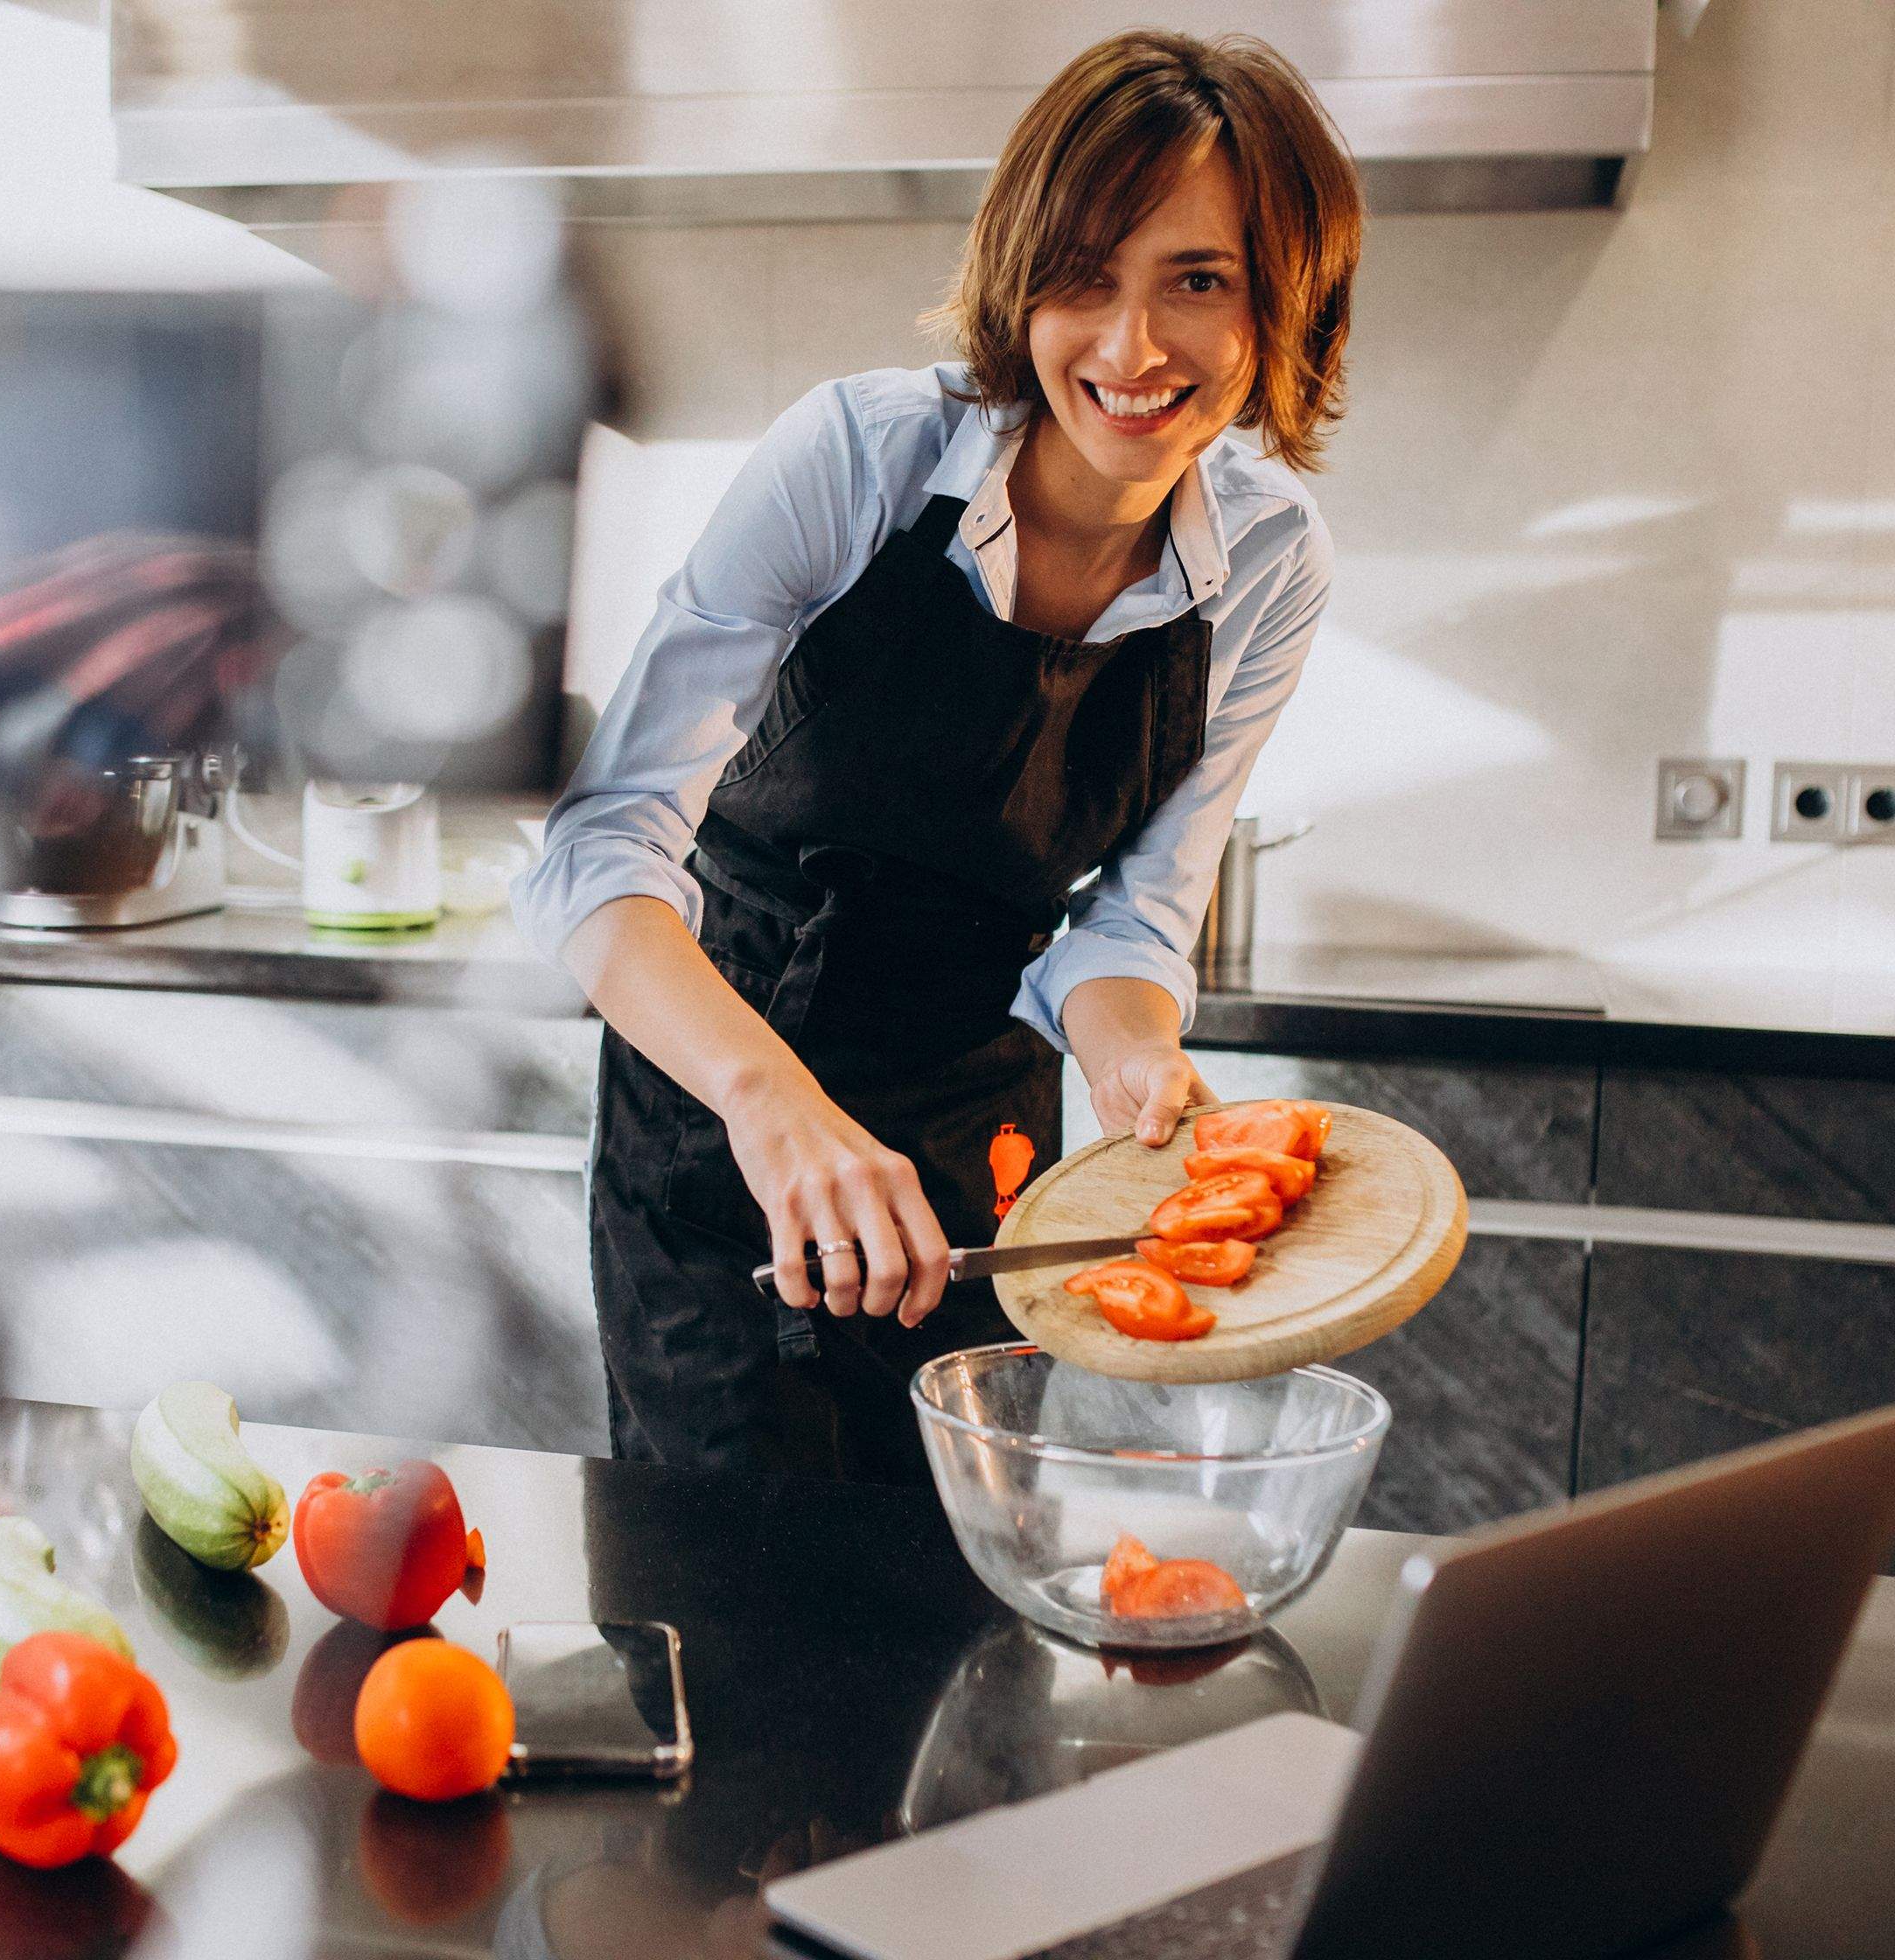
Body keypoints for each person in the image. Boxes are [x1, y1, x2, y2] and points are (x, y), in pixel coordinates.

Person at [514, 29, 1362, 1481]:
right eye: (1083, 276)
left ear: (1287, 305)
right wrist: (775, 1109)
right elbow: (600, 846)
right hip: (728, 1126)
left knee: (960, 1596)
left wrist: (1137, 1058)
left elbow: (1139, 913)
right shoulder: (853, 462)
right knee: (735, 1612)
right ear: (1019, 276)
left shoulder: (1270, 562)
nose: (1131, 348)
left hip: (986, 1151)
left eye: (1198, 282)